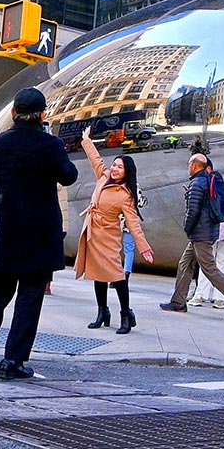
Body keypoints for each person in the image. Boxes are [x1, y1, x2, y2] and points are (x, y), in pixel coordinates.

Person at [0, 87, 80, 379]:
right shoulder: (50, 146)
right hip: (38, 236)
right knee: (29, 300)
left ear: (13, 112)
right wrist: (54, 147)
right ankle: (12, 362)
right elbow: (69, 176)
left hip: (5, 233)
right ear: (42, 115)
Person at [76, 136, 153, 334]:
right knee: (97, 275)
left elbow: (133, 223)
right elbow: (96, 159)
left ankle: (126, 315)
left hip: (109, 237)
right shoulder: (104, 176)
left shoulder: (125, 194)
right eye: (115, 165)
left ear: (127, 172)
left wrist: (143, 246)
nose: (115, 169)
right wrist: (87, 140)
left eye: (120, 167)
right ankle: (103, 312)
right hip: (93, 232)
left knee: (117, 277)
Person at [160, 153, 224, 318]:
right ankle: (178, 301)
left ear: (194, 165)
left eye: (189, 164)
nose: (188, 167)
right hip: (205, 233)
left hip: (200, 235)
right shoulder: (208, 181)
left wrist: (187, 227)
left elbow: (192, 211)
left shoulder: (197, 183)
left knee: (209, 269)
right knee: (184, 264)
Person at [190, 178, 224, 309]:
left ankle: (199, 296)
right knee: (223, 264)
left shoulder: (206, 189)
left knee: (206, 264)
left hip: (211, 230)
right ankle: (219, 298)